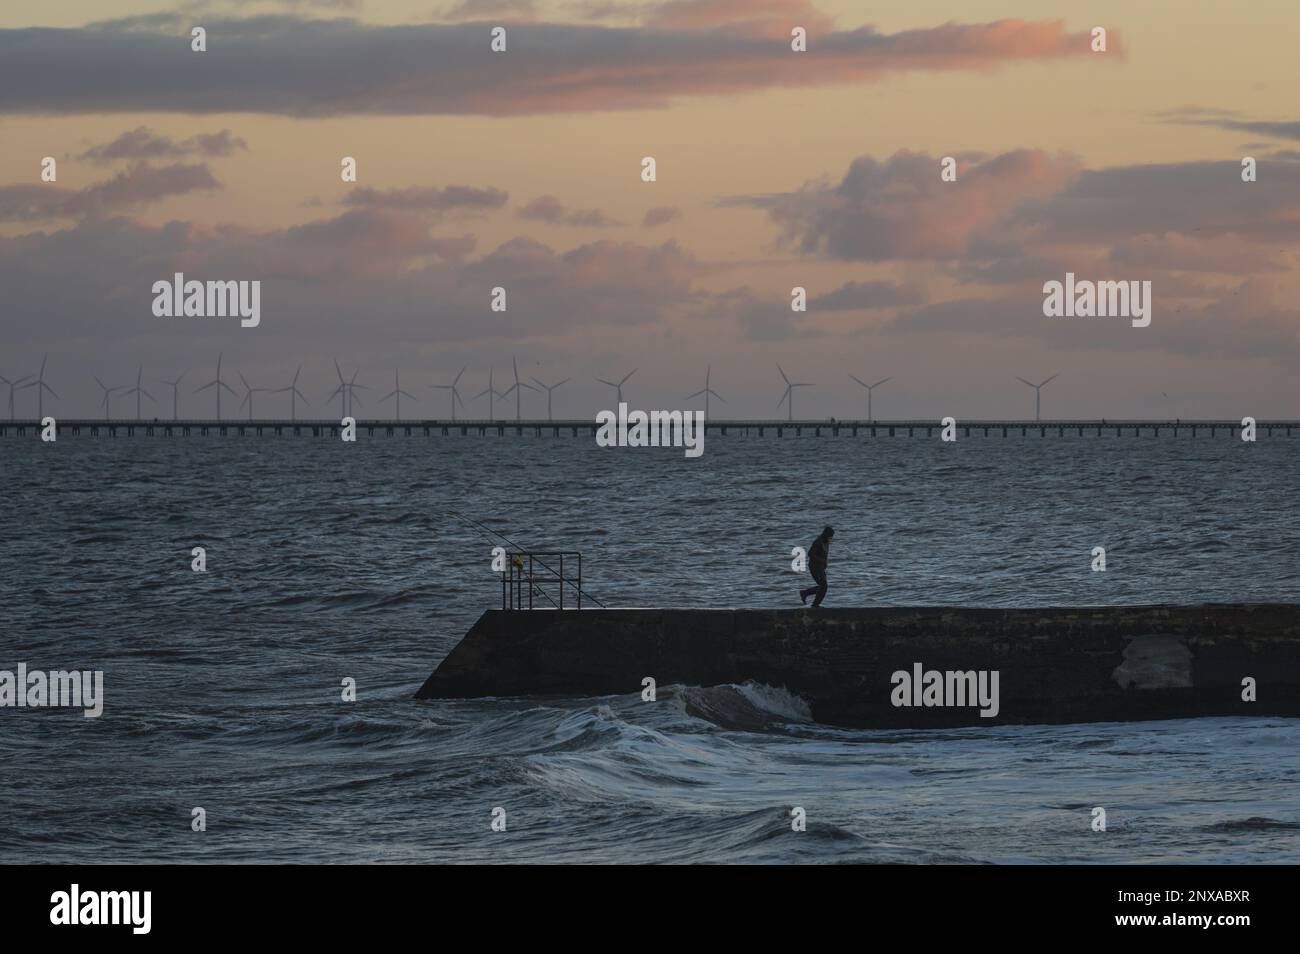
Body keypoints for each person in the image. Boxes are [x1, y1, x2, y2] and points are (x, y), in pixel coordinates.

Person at [799, 525, 834, 607]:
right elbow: (810, 553)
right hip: (814, 567)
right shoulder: (818, 542)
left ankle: (805, 594)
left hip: (820, 567)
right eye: (830, 537)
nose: (831, 539)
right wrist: (822, 561)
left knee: (823, 586)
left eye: (831, 537)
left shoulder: (825, 542)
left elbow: (824, 554)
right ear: (826, 535)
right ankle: (815, 604)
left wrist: (824, 563)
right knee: (823, 586)